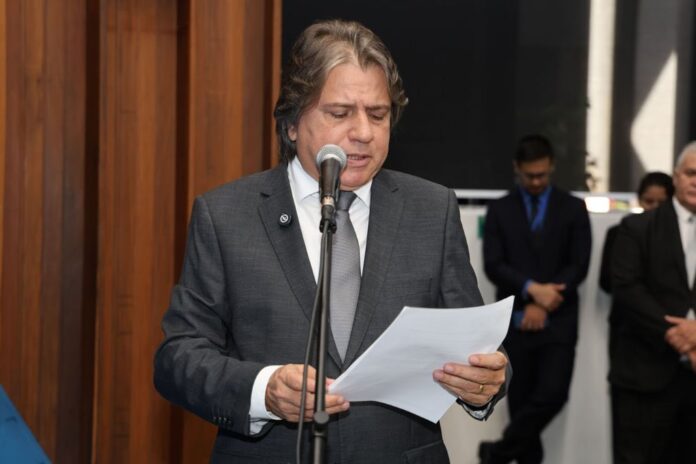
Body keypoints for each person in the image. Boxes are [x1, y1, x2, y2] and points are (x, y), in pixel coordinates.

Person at [153, 19, 509, 463]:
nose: (363, 132)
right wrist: (264, 390)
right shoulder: (226, 216)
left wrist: (487, 381)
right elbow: (178, 357)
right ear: (292, 123)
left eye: (378, 114)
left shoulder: (431, 210)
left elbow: (475, 344)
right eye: (340, 113)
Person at [480, 134, 592, 464]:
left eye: (542, 175)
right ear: (517, 168)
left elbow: (579, 264)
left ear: (551, 167)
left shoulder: (573, 208)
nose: (536, 182)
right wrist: (531, 290)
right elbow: (494, 264)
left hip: (559, 320)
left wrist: (544, 301)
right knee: (520, 404)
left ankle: (496, 453)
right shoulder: (500, 209)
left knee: (552, 395)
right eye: (529, 175)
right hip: (515, 321)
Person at [611, 141, 696, 464]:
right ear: (676, 176)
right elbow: (626, 287)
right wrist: (680, 334)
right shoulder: (638, 226)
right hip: (644, 374)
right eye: (691, 173)